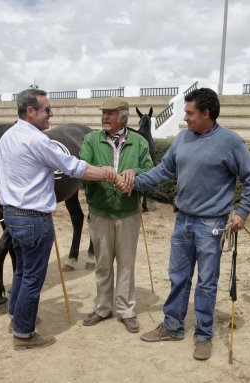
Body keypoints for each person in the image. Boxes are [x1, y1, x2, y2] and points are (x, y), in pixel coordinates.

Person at [122, 88, 250, 360]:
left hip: (212, 225)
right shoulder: (183, 139)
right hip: (182, 221)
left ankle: (203, 335)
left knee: (207, 283)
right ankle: (172, 326)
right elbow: (163, 170)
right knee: (178, 278)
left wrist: (243, 212)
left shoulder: (231, 142)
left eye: (189, 113)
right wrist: (135, 182)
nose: (185, 118)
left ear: (206, 113)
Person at [0, 88, 121, 350]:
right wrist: (107, 172)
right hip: (33, 218)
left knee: (21, 270)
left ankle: (15, 317)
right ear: (31, 111)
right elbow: (74, 167)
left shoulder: (8, 136)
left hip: (12, 215)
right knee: (33, 277)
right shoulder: (38, 141)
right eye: (46, 110)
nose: (51, 114)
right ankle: (24, 334)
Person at [79, 98, 153, 333]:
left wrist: (135, 173)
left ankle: (126, 310)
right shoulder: (91, 140)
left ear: (124, 117)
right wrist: (101, 173)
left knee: (126, 265)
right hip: (100, 213)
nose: (104, 118)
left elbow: (150, 171)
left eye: (110, 113)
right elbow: (81, 168)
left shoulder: (140, 142)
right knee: (102, 264)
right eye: (103, 113)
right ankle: (102, 307)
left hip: (128, 214)